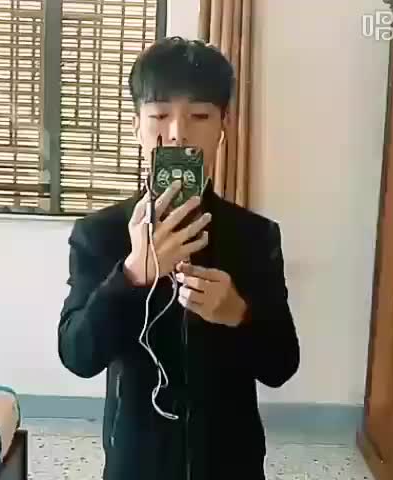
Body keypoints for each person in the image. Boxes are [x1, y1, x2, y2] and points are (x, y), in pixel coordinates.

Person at [58, 36, 300, 480]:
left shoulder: (254, 236)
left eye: (200, 116)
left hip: (231, 463)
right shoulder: (100, 234)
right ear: (137, 126)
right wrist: (132, 274)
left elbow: (282, 365)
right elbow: (78, 355)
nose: (177, 132)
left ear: (224, 125)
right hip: (135, 462)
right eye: (159, 115)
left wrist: (238, 314)